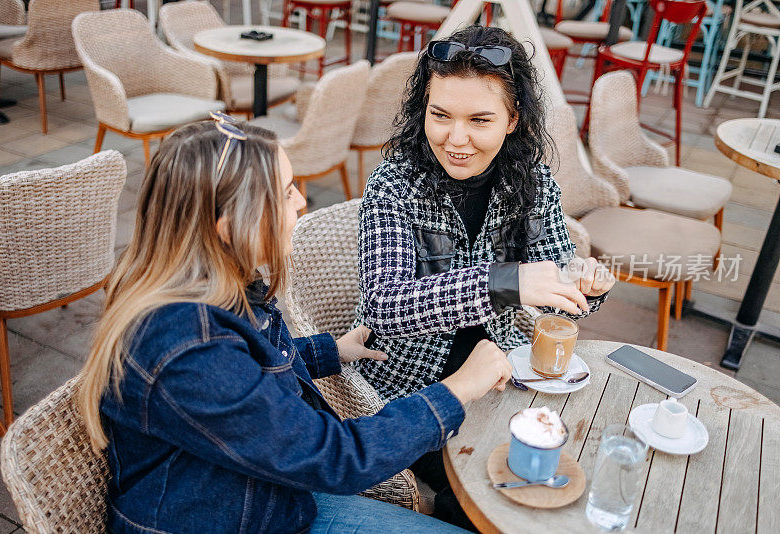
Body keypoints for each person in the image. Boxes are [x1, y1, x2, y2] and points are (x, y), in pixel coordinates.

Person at [77, 117, 514, 534]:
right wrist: (459, 388)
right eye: (285, 193)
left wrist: (329, 351)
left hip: (267, 496)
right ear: (227, 226)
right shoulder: (187, 345)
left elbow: (244, 379)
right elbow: (336, 458)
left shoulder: (207, 284)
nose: (302, 200)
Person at [354, 26, 616, 527]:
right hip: (413, 389)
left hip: (505, 374)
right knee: (496, 491)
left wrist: (582, 282)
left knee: (572, 459)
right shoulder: (393, 184)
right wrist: (506, 281)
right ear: (422, 109)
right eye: (440, 115)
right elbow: (384, 305)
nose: (456, 139)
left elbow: (555, 287)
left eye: (480, 120)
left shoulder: (532, 182)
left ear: (513, 119)